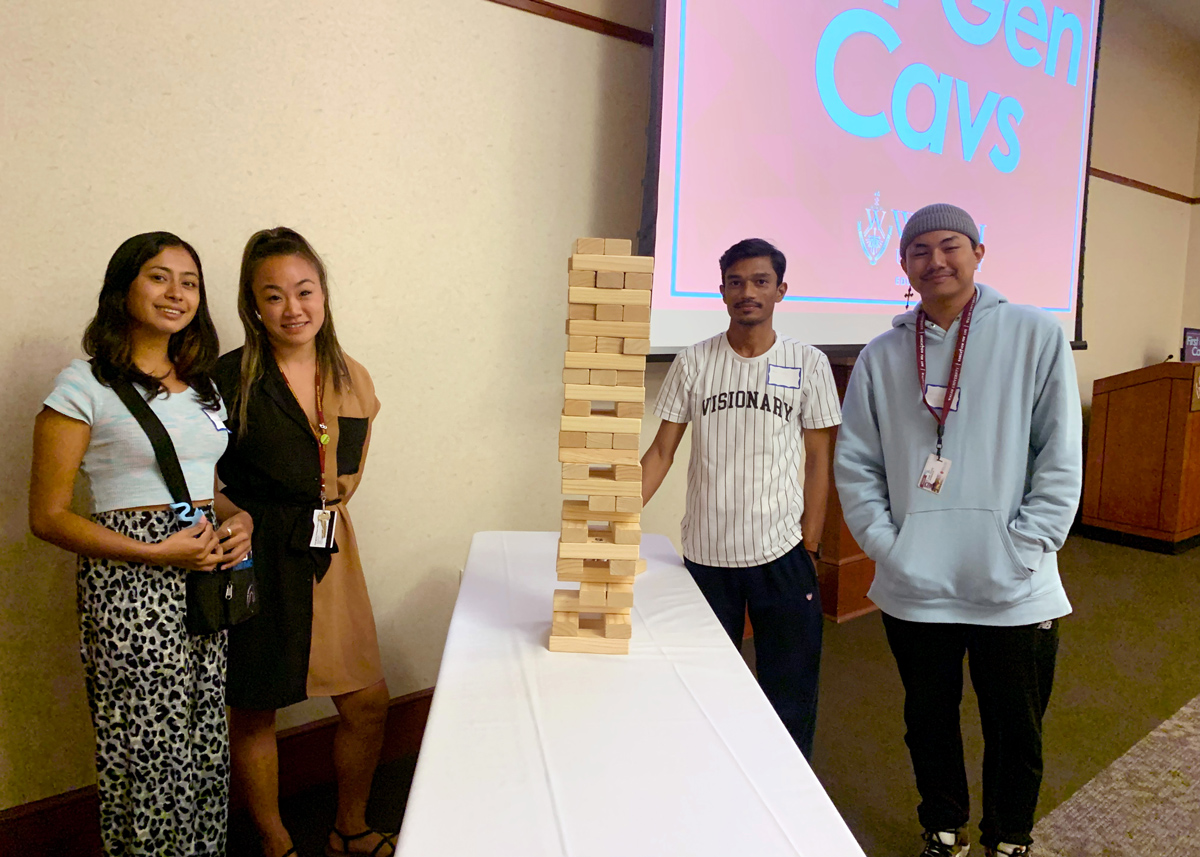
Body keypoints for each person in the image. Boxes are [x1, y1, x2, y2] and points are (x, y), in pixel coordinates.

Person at [834, 204, 1082, 857]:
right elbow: (855, 462)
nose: (935, 259)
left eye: (950, 245)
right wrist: (891, 548)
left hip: (1015, 583)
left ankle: (1009, 836)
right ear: (904, 265)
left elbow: (1059, 455)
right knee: (928, 722)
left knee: (1016, 727)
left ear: (978, 251)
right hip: (916, 585)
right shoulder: (884, 354)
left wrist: (1025, 546)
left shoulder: (1035, 334)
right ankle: (943, 825)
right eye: (919, 249)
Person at [29, 231, 252, 856]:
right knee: (147, 749)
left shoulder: (202, 387)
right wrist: (156, 553)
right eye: (158, 277)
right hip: (132, 585)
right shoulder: (83, 385)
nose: (176, 293)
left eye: (189, 281)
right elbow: (46, 516)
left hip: (202, 576)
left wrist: (242, 521)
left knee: (204, 736)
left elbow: (207, 488)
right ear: (123, 287)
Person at [215, 227, 392, 857]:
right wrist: (236, 516)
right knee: (256, 707)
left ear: (323, 295)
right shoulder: (227, 380)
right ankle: (275, 840)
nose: (294, 308)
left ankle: (350, 825)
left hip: (330, 552)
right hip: (258, 556)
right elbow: (199, 473)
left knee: (367, 702)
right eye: (274, 296)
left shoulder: (350, 374)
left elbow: (347, 469)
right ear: (252, 306)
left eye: (304, 290)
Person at [640, 237, 841, 760]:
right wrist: (612, 518)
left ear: (780, 290)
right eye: (736, 282)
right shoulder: (693, 362)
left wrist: (811, 545)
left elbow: (819, 458)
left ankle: (788, 789)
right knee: (706, 685)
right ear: (722, 291)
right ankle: (711, 781)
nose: (747, 291)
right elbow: (661, 452)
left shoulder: (810, 363)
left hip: (782, 555)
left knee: (789, 693)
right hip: (707, 557)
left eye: (760, 281)